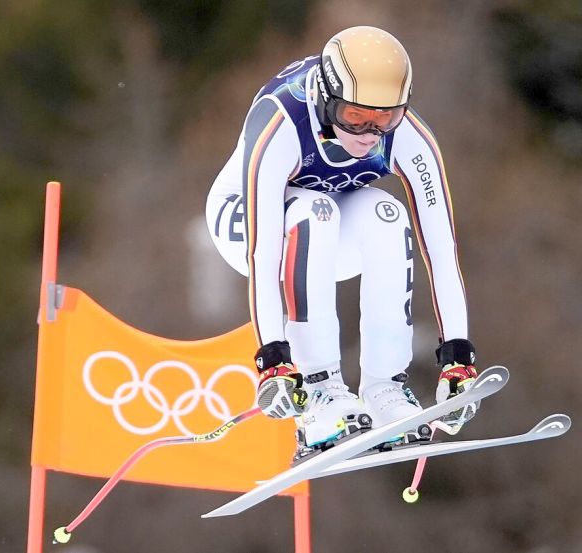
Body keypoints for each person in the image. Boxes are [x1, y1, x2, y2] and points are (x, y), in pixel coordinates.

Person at [205, 26, 479, 456]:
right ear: (326, 98)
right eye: (355, 116)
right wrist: (273, 361)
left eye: (385, 118)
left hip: (327, 237)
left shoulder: (408, 136)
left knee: (386, 213)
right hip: (244, 222)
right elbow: (262, 254)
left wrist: (457, 357)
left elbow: (441, 248)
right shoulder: (282, 119)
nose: (370, 133)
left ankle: (386, 389)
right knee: (317, 211)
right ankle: (320, 392)